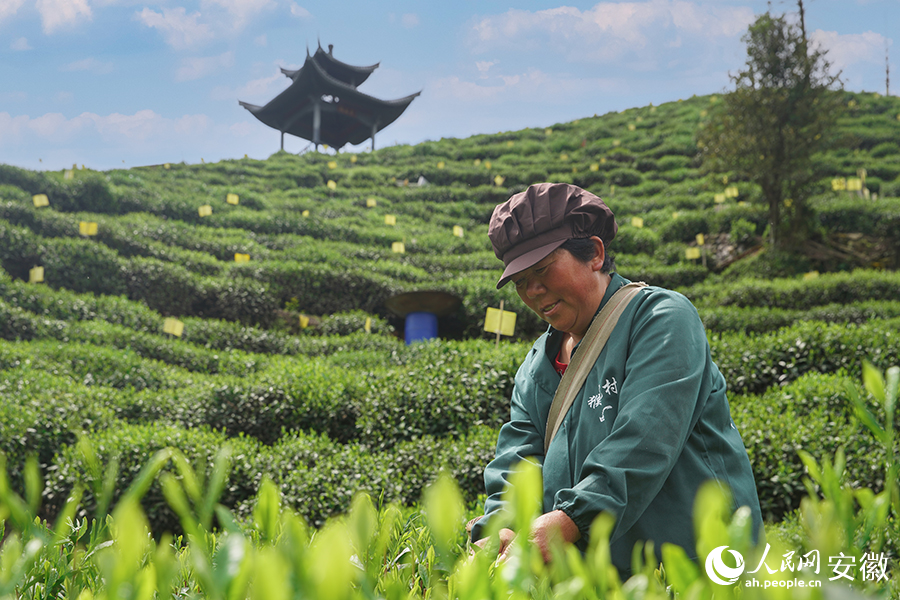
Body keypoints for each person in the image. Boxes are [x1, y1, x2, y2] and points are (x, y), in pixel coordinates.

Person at [469, 182, 762, 573]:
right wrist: (504, 523)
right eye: (521, 281)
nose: (533, 291)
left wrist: (573, 517)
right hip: (603, 579)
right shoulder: (538, 363)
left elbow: (646, 437)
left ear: (594, 253)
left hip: (695, 568)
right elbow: (517, 456)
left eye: (541, 270)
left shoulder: (660, 319)